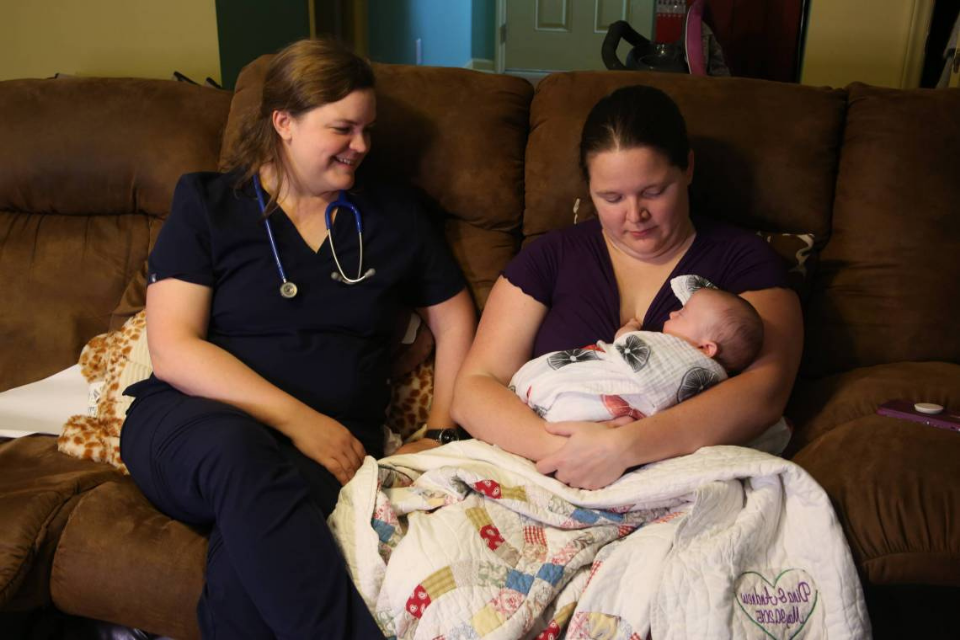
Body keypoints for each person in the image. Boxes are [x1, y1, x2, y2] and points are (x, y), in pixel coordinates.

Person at [119, 39, 475, 639]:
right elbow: (174, 347)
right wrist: (296, 420)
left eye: (368, 129)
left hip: (327, 448)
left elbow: (456, 317)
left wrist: (440, 430)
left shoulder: (394, 214)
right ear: (283, 122)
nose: (361, 146)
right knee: (239, 453)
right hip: (192, 425)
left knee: (244, 578)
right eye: (343, 128)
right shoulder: (209, 204)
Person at [452, 84, 802, 490]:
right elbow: (475, 388)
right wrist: (572, 453)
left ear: (687, 168)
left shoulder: (744, 261)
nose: (635, 215)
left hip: (680, 486)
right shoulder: (549, 257)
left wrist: (623, 449)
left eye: (653, 192)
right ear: (588, 190)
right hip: (547, 474)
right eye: (612, 197)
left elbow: (765, 390)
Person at [511, 278, 764, 423]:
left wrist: (628, 333)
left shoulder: (684, 361)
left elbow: (631, 350)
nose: (673, 312)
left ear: (705, 348)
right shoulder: (716, 381)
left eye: (683, 314)